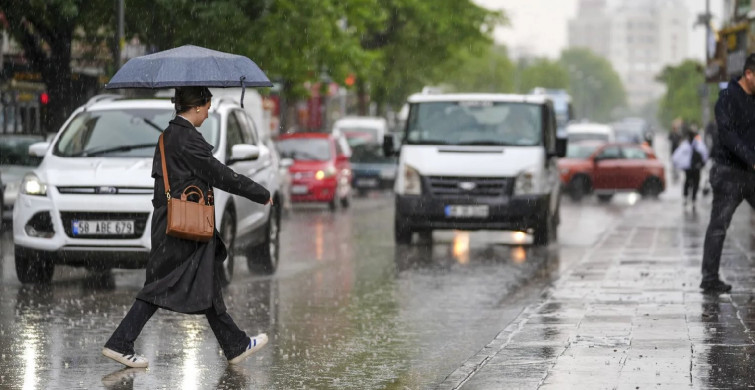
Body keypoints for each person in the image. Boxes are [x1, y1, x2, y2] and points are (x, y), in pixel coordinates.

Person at [102, 86, 273, 367]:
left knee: (202, 281)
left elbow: (162, 189)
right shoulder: (187, 139)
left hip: (171, 222)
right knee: (159, 286)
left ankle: (235, 344)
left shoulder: (167, 136)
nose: (207, 113)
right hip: (185, 225)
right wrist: (260, 192)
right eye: (207, 107)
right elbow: (220, 174)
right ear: (196, 107)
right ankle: (120, 342)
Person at [701, 54, 755, 294]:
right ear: (749, 74)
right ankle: (709, 278)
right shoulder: (727, 98)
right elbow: (728, 136)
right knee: (719, 226)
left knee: (718, 226)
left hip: (751, 173)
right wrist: (751, 158)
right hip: (728, 173)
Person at [671, 129, 708, 209]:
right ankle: (692, 199)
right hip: (694, 168)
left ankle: (688, 197)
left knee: (688, 182)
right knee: (694, 183)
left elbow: (676, 156)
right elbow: (705, 155)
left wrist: (677, 165)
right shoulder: (698, 145)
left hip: (690, 168)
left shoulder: (686, 145)